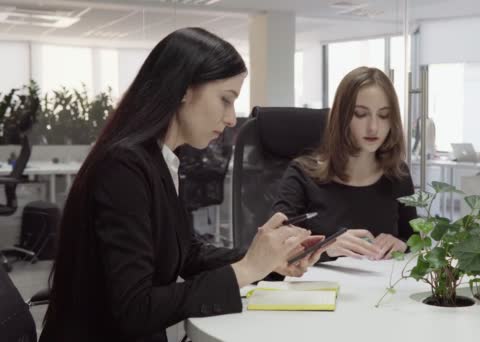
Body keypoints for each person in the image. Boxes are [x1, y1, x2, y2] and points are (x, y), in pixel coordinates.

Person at [40, 28, 326, 342]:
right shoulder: (122, 168)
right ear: (184, 90)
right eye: (225, 100)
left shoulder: (164, 160)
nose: (232, 118)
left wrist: (266, 262)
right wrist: (245, 271)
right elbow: (135, 309)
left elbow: (186, 254)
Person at [273, 67, 417, 261]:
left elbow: (411, 238)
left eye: (384, 115)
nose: (374, 127)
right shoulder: (302, 174)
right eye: (360, 114)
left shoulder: (398, 175)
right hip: (319, 289)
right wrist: (323, 248)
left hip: (380, 287)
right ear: (342, 118)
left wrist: (402, 244)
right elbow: (274, 247)